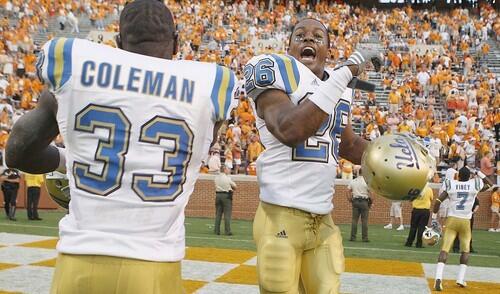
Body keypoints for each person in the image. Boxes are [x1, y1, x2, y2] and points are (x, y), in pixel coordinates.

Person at [5, 1, 238, 293]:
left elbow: (17, 151)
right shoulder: (212, 83)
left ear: (117, 41)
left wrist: (70, 161)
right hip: (154, 266)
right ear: (177, 42)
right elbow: (195, 152)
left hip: (80, 263)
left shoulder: (74, 64)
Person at [245, 18, 380, 293]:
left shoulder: (338, 87)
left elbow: (349, 145)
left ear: (328, 50)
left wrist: (394, 154)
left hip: (323, 217)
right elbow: (289, 128)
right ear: (289, 46)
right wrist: (345, 73)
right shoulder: (275, 69)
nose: (309, 39)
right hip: (280, 213)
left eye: (318, 36)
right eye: (301, 35)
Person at [432, 167, 492, 291]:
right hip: (465, 221)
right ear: (469, 176)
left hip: (452, 219)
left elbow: (438, 201)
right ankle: (460, 278)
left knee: (445, 250)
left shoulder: (451, 184)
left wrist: (433, 217)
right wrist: (478, 172)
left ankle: (438, 279)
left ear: (458, 176)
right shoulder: (473, 184)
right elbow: (490, 184)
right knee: (465, 251)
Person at [405, 184, 433, 248]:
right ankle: (419, 244)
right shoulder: (429, 189)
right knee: (421, 228)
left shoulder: (414, 189)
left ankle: (409, 242)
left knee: (413, 227)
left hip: (416, 210)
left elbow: (410, 199)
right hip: (425, 211)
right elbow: (431, 198)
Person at [347, 171, 372, 242]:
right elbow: (371, 193)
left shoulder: (353, 181)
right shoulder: (367, 181)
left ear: (359, 173)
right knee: (364, 221)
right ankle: (365, 238)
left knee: (354, 220)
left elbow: (347, 191)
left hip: (355, 201)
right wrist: (371, 202)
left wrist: (350, 199)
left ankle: (353, 237)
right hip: (364, 202)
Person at [213, 167, 236, 235]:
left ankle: (216, 231)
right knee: (227, 214)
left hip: (218, 195)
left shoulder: (216, 178)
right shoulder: (227, 178)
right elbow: (235, 186)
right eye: (227, 169)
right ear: (225, 170)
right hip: (226, 196)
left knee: (218, 214)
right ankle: (227, 231)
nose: (228, 170)